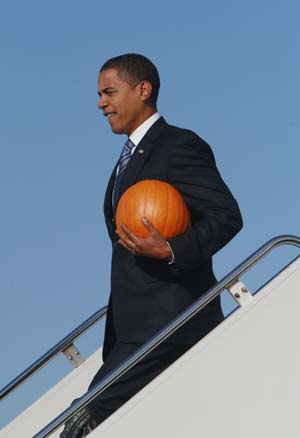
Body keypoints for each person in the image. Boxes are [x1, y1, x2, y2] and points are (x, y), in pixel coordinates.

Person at [60, 53, 243, 437]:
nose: (100, 103)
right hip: (130, 330)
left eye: (109, 92)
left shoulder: (177, 146)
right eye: (98, 94)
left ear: (143, 90)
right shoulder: (126, 160)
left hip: (171, 322)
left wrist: (172, 250)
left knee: (81, 420)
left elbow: (226, 216)